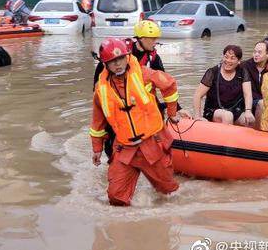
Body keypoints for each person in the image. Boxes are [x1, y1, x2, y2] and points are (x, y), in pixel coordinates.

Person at [90, 37, 180, 206]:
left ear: (127, 56)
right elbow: (98, 121)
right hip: (125, 148)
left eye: (120, 58)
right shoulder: (100, 89)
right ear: (105, 64)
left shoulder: (144, 73)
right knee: (116, 198)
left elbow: (169, 84)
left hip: (152, 144)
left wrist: (172, 112)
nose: (118, 64)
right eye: (112, 61)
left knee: (168, 194)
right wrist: (97, 148)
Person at [93, 20, 189, 158]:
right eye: (153, 39)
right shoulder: (119, 54)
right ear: (141, 39)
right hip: (119, 104)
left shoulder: (154, 59)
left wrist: (176, 109)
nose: (155, 42)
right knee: (113, 137)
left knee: (156, 133)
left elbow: (165, 84)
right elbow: (100, 81)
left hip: (144, 105)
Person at [193, 45, 255, 125]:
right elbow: (198, 95)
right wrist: (197, 116)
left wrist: (248, 111)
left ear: (239, 61)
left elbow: (248, 94)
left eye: (232, 58)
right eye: (226, 57)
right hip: (214, 110)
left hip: (235, 110)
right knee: (228, 116)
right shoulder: (213, 72)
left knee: (250, 120)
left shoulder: (242, 72)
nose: (228, 60)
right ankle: (227, 137)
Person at [241, 41, 268, 127]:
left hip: (266, 102)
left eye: (259, 52)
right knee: (261, 103)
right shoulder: (244, 66)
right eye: (254, 52)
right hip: (248, 102)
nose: (256, 54)